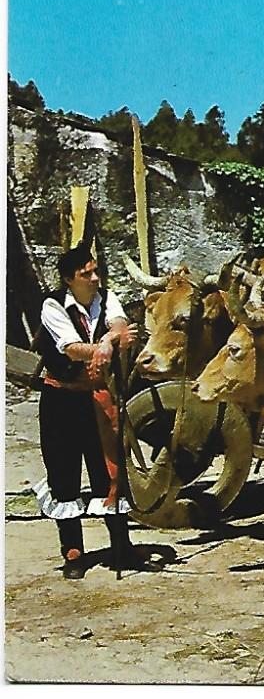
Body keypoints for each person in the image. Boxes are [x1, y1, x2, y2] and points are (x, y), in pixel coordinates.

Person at [34, 243, 155, 578]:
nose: (94, 278)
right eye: (85, 274)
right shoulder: (52, 305)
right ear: (68, 279)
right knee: (64, 472)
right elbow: (71, 349)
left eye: (95, 271)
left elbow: (121, 327)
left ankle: (121, 546)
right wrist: (107, 344)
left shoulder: (107, 297)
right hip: (62, 400)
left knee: (109, 470)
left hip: (98, 397)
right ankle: (73, 552)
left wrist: (105, 342)